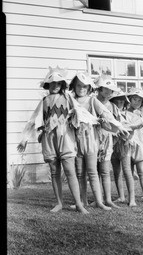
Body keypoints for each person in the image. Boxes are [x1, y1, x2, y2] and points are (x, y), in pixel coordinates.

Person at [17, 66, 96, 214]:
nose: (55, 86)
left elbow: (81, 111)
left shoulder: (68, 98)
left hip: (65, 136)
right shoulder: (44, 100)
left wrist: (92, 121)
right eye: (52, 83)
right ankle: (59, 203)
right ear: (47, 85)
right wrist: (24, 139)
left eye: (58, 83)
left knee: (70, 171)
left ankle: (79, 203)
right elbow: (34, 120)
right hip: (49, 138)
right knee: (54, 171)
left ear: (63, 85)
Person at [69, 71, 129, 209]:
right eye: (79, 86)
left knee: (92, 171)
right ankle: (82, 201)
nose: (81, 89)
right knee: (80, 173)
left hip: (90, 139)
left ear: (89, 88)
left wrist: (118, 126)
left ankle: (100, 201)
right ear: (74, 86)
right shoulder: (71, 101)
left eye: (85, 86)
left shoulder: (91, 100)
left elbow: (105, 113)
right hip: (75, 140)